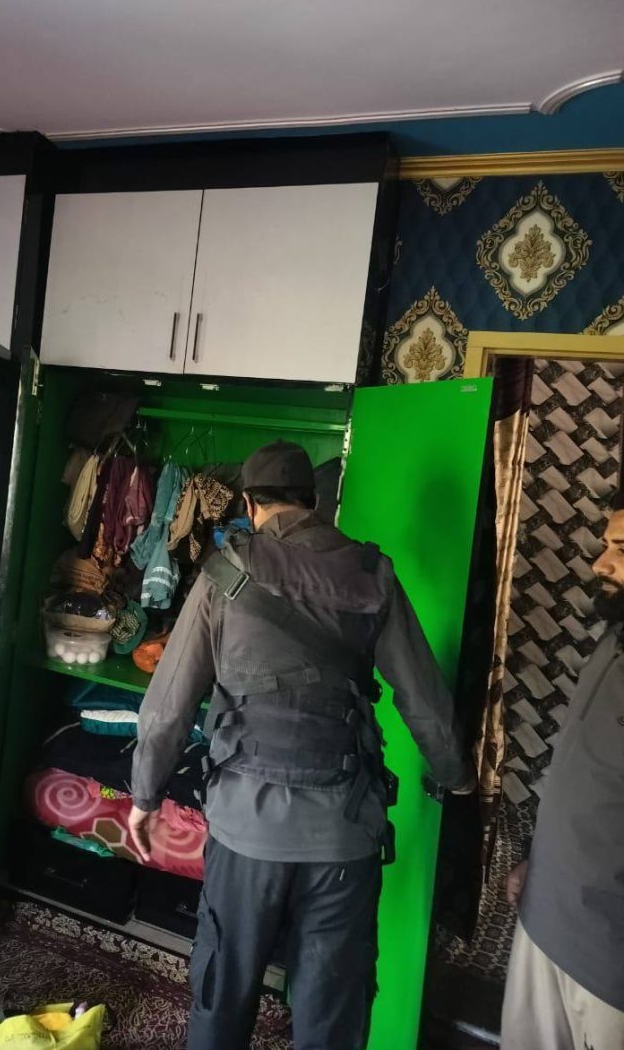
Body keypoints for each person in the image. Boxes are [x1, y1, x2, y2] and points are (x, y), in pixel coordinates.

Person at [128, 440, 474, 1050]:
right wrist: (457, 777)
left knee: (223, 990)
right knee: (331, 1009)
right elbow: (423, 698)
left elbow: (168, 705)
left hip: (245, 828)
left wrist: (144, 795)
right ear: (316, 502)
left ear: (248, 504)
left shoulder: (225, 572)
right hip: (343, 830)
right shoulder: (372, 574)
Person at [500, 491, 624, 1050]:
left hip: (608, 958)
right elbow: (584, 775)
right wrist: (540, 860)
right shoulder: (614, 639)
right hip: (548, 915)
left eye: (621, 549)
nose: (601, 564)